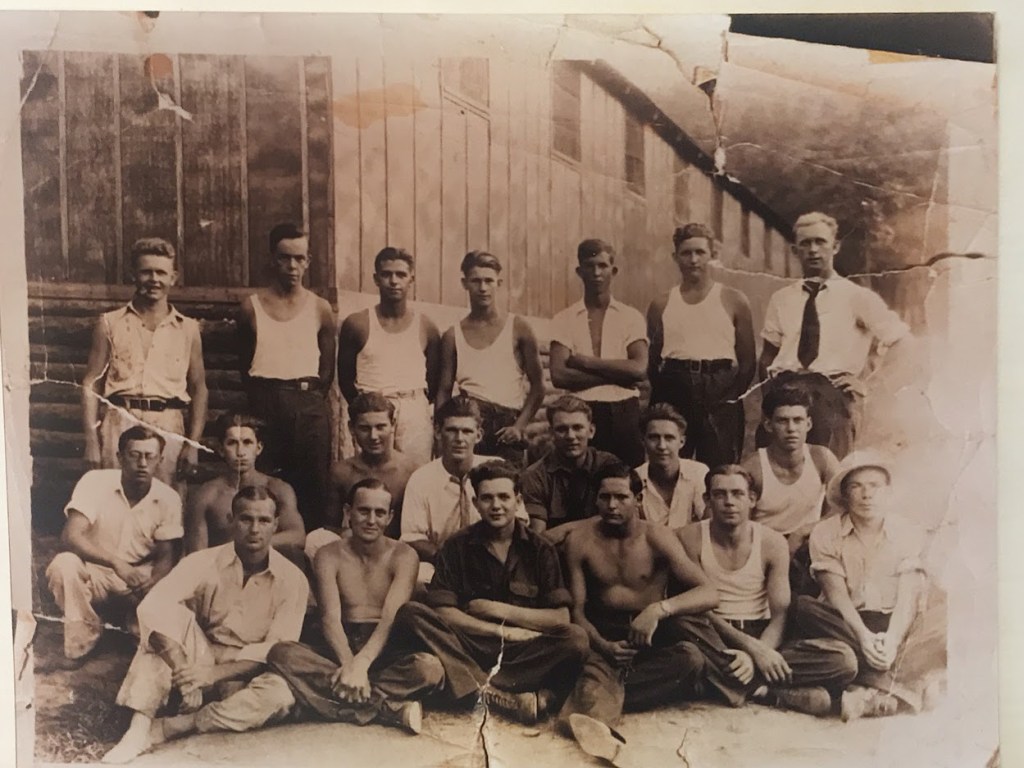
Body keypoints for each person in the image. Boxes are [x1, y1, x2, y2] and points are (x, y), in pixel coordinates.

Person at [102, 485, 308, 764]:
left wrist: (211, 676)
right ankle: (138, 731)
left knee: (280, 696)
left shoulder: (292, 580)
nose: (254, 529)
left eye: (264, 521)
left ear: (276, 525)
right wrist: (185, 672)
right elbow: (152, 607)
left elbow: (276, 651)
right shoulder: (202, 561)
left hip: (247, 669)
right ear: (230, 521)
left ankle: (172, 727)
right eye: (246, 519)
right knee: (164, 625)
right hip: (201, 653)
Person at [391, 461, 589, 723]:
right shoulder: (456, 546)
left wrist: (499, 611)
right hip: (469, 644)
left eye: (504, 497)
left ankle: (469, 683)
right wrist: (501, 631)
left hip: (524, 651)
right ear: (475, 503)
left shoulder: (540, 549)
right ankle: (498, 693)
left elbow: (560, 617)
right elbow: (443, 612)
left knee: (575, 639)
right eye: (487, 498)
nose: (496, 506)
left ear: (518, 501)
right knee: (411, 613)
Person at [556, 462, 719, 765]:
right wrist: (604, 645)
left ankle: (583, 704)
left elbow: (709, 592)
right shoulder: (580, 540)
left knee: (690, 659)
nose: (612, 505)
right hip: (601, 631)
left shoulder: (657, 537)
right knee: (596, 665)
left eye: (621, 497)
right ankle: (600, 731)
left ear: (638, 498)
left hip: (649, 633)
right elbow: (576, 610)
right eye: (604, 497)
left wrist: (658, 609)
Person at [677, 465, 858, 717]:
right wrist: (751, 650)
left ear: (752, 499)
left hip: (762, 632)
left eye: (738, 494)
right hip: (712, 635)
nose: (729, 502)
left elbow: (780, 614)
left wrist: (759, 653)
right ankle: (766, 691)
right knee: (683, 627)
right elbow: (695, 606)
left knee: (843, 659)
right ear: (707, 499)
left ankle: (734, 685)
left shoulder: (772, 542)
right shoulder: (690, 538)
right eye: (720, 494)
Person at [268, 479, 443, 734]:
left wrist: (360, 666)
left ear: (390, 517)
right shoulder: (328, 554)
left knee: (430, 669)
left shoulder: (404, 555)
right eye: (363, 511)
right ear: (348, 513)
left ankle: (325, 703)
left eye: (379, 513)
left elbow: (389, 619)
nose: (371, 520)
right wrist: (350, 665)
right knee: (280, 654)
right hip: (340, 644)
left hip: (386, 643)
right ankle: (388, 710)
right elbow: (330, 618)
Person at [794, 452, 947, 720]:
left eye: (874, 486)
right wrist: (864, 638)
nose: (866, 494)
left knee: (946, 616)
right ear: (844, 494)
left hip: (895, 623)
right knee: (804, 608)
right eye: (856, 486)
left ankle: (869, 690)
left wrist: (892, 639)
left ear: (887, 493)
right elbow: (836, 595)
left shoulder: (907, 530)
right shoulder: (826, 532)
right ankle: (903, 685)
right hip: (845, 624)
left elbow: (908, 594)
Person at [759, 212, 911, 459]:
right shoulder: (782, 299)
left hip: (831, 398)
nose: (813, 249)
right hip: (785, 394)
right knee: (778, 475)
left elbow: (901, 342)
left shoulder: (856, 296)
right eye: (805, 243)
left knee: (830, 475)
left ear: (835, 246)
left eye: (820, 242)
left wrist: (868, 383)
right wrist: (769, 398)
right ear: (795, 249)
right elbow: (768, 354)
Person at [46, 425, 181, 664]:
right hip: (96, 570)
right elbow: (71, 536)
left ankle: (131, 621)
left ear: (160, 460)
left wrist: (152, 583)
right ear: (119, 457)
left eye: (149, 456)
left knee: (152, 640)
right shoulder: (95, 481)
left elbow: (166, 557)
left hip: (138, 574)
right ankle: (83, 637)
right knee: (63, 565)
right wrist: (115, 562)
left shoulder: (169, 498)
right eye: (134, 454)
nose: (142, 463)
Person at [81, 237, 208, 485]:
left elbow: (199, 388)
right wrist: (90, 440)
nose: (154, 280)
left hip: (168, 424)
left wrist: (193, 445)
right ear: (133, 276)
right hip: (119, 421)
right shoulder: (109, 323)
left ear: (174, 277)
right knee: (114, 499)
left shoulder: (188, 329)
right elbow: (91, 383)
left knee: (166, 503)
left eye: (161, 272)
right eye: (146, 272)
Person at [238, 223, 336, 530]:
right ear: (272, 259)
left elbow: (327, 368)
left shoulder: (320, 308)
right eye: (284, 258)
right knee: (265, 486)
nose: (292, 266)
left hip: (307, 404)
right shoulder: (250, 307)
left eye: (299, 258)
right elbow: (245, 362)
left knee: (314, 488)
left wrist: (306, 399)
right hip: (265, 403)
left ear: (308, 261)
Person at [647, 224, 755, 467]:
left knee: (720, 466)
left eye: (700, 252)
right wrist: (669, 388)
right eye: (686, 253)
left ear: (713, 255)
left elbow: (748, 361)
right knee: (670, 464)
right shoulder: (661, 303)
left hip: (719, 388)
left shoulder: (734, 300)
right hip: (675, 387)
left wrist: (729, 395)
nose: (693, 260)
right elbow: (653, 361)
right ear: (675, 257)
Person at [400, 396, 527, 581]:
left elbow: (520, 521)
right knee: (418, 577)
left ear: (479, 435)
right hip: (442, 560)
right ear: (437, 432)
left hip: (494, 557)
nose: (459, 439)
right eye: (452, 430)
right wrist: (453, 558)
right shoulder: (421, 478)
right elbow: (412, 538)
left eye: (467, 431)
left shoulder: (496, 468)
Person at [437, 251, 546, 466]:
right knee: (467, 487)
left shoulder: (519, 327)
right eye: (476, 281)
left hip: (507, 426)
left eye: (489, 281)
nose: (483, 287)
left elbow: (538, 387)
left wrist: (520, 426)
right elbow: (444, 389)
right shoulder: (453, 335)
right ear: (464, 283)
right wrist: (440, 432)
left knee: (507, 489)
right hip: (470, 421)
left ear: (499, 283)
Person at [338, 247, 441, 466]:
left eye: (401, 275)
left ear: (411, 279)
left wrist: (410, 405)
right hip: (372, 410)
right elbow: (345, 378)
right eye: (386, 274)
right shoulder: (357, 324)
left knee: (415, 476)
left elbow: (434, 380)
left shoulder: (426, 326)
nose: (394, 281)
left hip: (413, 411)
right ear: (376, 279)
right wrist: (366, 409)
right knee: (367, 476)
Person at [549, 239, 647, 467]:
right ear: (579, 271)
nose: (596, 272)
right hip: (582, 412)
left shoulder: (630, 316)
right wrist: (620, 374)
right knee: (583, 482)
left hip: (624, 414)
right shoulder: (564, 319)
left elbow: (639, 369)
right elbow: (559, 376)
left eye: (602, 266)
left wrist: (586, 361)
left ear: (613, 271)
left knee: (627, 480)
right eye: (589, 266)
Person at [184, 413, 306, 569]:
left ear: (259, 448)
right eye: (232, 443)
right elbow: (197, 556)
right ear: (221, 449)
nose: (240, 452)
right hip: (224, 574)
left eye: (247, 442)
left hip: (269, 573)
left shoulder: (278, 488)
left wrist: (247, 544)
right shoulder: (206, 495)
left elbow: (297, 535)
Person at [520, 395, 619, 543]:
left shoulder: (608, 465)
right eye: (562, 429)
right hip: (556, 555)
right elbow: (539, 540)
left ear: (591, 431)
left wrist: (564, 529)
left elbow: (621, 521)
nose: (571, 436)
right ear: (551, 433)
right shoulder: (535, 475)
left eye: (577, 428)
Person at [329, 392, 418, 538]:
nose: (373, 436)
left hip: (398, 553)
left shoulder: (410, 471)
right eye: (364, 428)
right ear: (352, 428)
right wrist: (348, 535)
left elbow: (415, 532)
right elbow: (329, 528)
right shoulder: (342, 472)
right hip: (355, 550)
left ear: (393, 425)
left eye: (380, 427)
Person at [635, 403, 708, 528]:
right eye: (654, 438)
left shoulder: (698, 473)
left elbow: (708, 524)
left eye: (669, 438)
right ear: (643, 441)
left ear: (682, 442)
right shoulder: (635, 478)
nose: (662, 446)